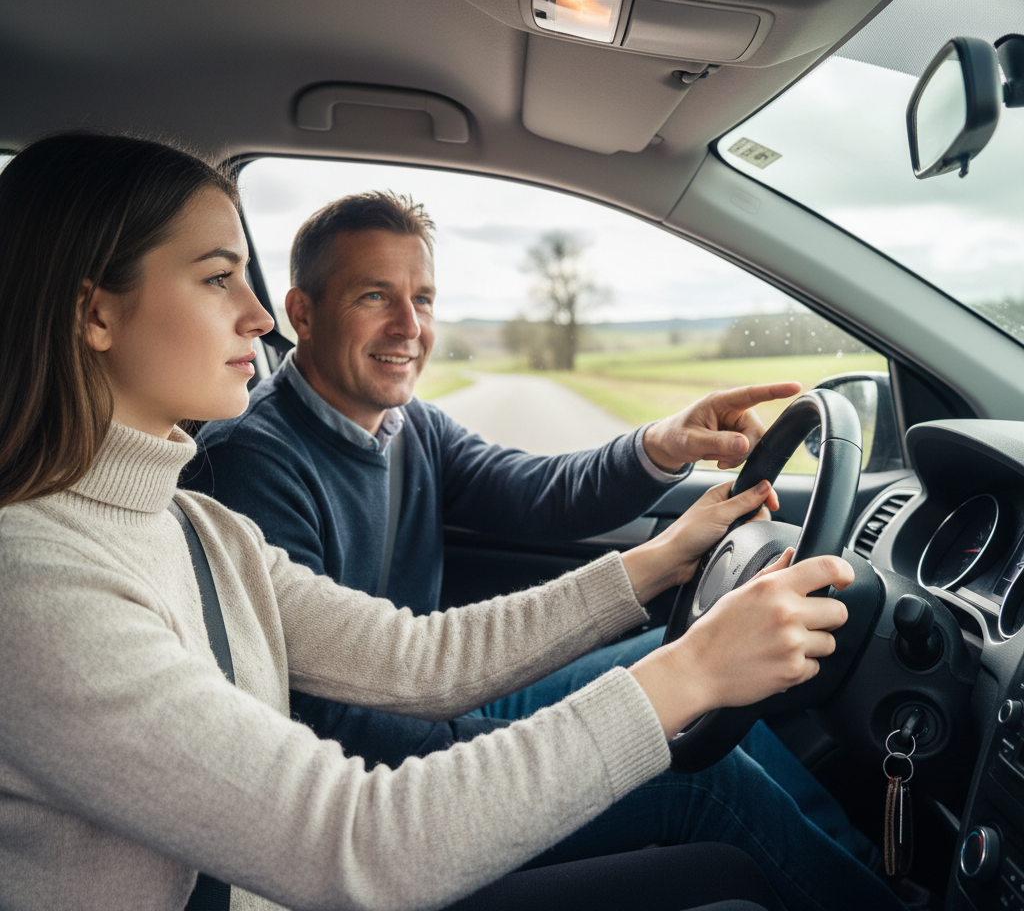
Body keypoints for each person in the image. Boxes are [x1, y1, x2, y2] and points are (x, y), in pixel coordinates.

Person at [0, 131, 905, 911]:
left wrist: (663, 561)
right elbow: (354, 840)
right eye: (217, 278)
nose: (256, 312)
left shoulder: (198, 527)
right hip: (352, 856)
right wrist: (689, 673)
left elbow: (420, 659)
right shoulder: (38, 587)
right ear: (95, 313)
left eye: (250, 277)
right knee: (709, 791)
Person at [184, 191, 883, 880]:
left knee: (706, 649)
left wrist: (664, 444)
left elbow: (536, 493)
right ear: (302, 313)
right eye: (375, 296)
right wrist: (539, 750)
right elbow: (334, 721)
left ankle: (860, 874)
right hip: (392, 779)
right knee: (708, 774)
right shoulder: (252, 464)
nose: (408, 326)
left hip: (450, 698)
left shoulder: (407, 426)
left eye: (422, 299)